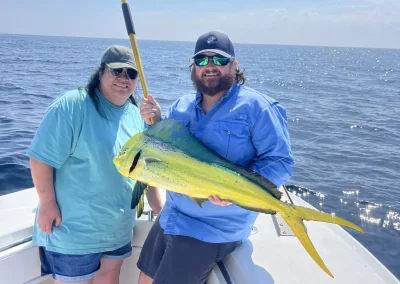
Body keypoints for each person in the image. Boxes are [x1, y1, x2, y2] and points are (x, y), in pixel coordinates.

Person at [138, 31, 294, 284]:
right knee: (144, 278)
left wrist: (233, 191)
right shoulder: (180, 106)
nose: (210, 66)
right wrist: (154, 121)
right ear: (193, 68)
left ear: (234, 65)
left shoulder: (258, 107)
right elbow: (163, 149)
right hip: (172, 215)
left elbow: (281, 162)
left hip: (210, 229)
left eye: (219, 60)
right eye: (202, 61)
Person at [28, 45, 163, 284]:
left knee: (110, 278)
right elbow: (40, 158)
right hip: (73, 230)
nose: (124, 79)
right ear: (101, 72)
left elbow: (145, 167)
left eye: (131, 74)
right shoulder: (72, 105)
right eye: (116, 71)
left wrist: (157, 204)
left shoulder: (137, 116)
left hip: (117, 229)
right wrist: (47, 203)